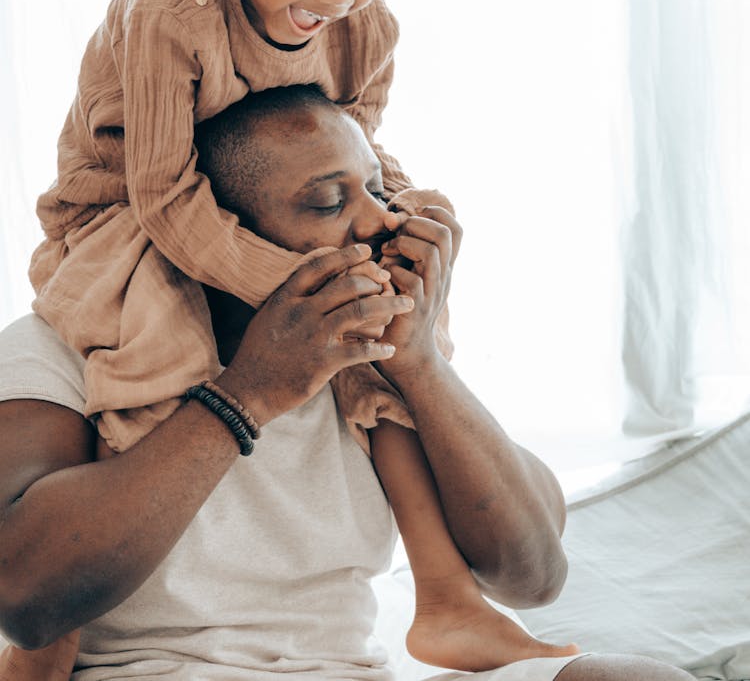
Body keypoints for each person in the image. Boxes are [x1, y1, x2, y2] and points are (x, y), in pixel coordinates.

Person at [0, 85, 695, 681]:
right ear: (218, 236)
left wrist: (419, 362)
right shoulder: (62, 346)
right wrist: (248, 392)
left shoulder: (367, 365)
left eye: (375, 187)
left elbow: (534, 573)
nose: (378, 221)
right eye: (330, 202)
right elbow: (25, 596)